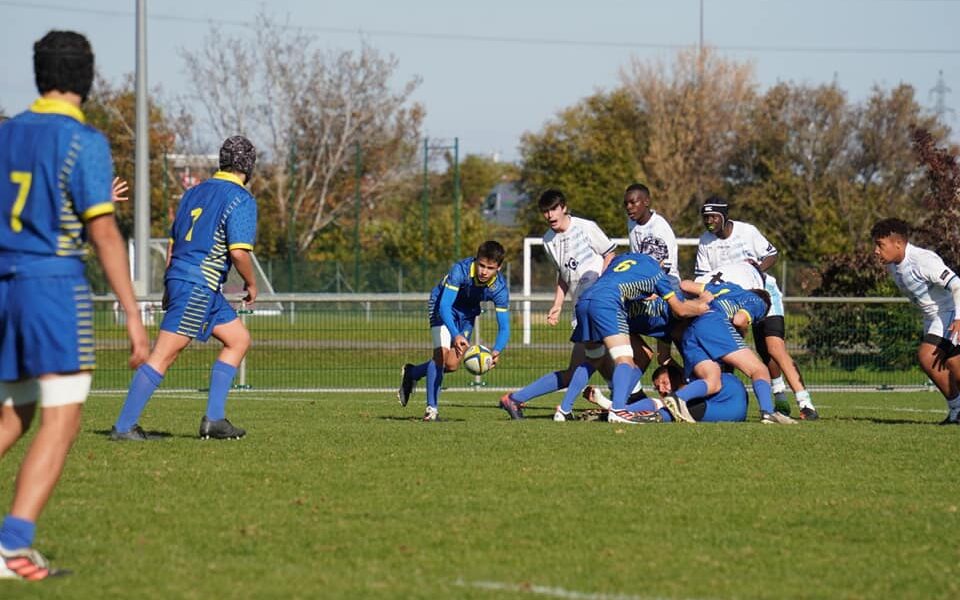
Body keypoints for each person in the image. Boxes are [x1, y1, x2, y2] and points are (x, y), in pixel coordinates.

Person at [0, 30, 150, 579]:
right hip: (51, 289)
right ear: (86, 77)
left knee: (13, 413)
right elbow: (104, 235)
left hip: (3, 286)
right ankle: (12, 549)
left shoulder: (6, 133)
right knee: (62, 418)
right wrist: (133, 315)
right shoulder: (81, 141)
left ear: (40, 74)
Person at [110, 135, 259, 441]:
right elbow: (239, 253)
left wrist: (169, 283)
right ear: (249, 166)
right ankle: (124, 426)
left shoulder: (193, 193)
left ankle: (214, 420)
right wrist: (251, 282)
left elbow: (174, 244)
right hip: (199, 284)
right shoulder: (241, 198)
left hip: (191, 281)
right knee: (164, 354)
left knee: (238, 339)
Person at [695, 196, 819, 420]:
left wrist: (756, 272)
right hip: (732, 300)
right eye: (706, 217)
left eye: (714, 216)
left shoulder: (747, 232)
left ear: (724, 216)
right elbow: (702, 277)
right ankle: (766, 398)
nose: (710, 221)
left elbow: (772, 253)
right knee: (731, 350)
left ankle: (805, 403)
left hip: (762, 293)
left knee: (774, 349)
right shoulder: (705, 241)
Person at [497, 190, 615, 421]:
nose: (549, 215)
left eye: (553, 209)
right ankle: (533, 403)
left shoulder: (586, 227)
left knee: (605, 361)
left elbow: (610, 254)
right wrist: (558, 304)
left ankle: (624, 402)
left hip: (600, 306)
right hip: (583, 311)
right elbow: (563, 274)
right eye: (545, 211)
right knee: (598, 362)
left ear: (564, 207)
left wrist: (601, 284)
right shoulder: (548, 240)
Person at [565, 252, 710, 419]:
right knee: (624, 360)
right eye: (661, 385)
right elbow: (681, 309)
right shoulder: (658, 277)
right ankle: (617, 409)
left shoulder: (625, 259)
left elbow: (663, 356)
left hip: (588, 301)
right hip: (610, 310)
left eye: (660, 386)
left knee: (594, 361)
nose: (662, 388)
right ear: (661, 261)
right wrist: (700, 305)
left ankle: (566, 410)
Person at [398, 241, 510, 421]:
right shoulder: (460, 270)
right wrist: (456, 334)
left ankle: (413, 373)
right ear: (476, 260)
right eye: (481, 265)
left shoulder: (500, 289)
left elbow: (504, 327)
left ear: (499, 267)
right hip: (442, 306)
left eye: (490, 268)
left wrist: (496, 350)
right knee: (441, 356)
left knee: (451, 365)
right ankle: (431, 411)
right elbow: (444, 306)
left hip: (467, 314)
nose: (484, 271)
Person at [872, 218, 960, 424]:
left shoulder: (922, 260)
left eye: (880, 245)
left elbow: (957, 285)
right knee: (952, 365)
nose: (876, 251)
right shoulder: (893, 265)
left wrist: (959, 318)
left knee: (927, 357)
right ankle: (957, 411)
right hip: (932, 318)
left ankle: (957, 410)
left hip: (948, 313)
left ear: (898, 244)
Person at [676, 280, 796, 424]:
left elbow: (685, 285)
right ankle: (768, 412)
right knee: (759, 369)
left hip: (691, 329)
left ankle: (678, 398)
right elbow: (739, 320)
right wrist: (743, 330)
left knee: (712, 380)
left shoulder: (729, 288)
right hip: (715, 323)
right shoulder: (759, 302)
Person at [585, 363, 749, 423]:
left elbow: (661, 402)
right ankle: (617, 412)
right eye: (658, 387)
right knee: (674, 404)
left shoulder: (693, 381)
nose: (662, 389)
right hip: (736, 412)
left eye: (664, 382)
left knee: (672, 406)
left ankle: (622, 412)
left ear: (677, 376)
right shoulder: (701, 376)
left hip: (726, 408)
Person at [624, 183, 680, 286]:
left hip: (666, 280)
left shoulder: (659, 228)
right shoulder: (631, 222)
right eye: (626, 204)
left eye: (633, 202)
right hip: (642, 278)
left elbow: (665, 267)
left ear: (646, 202)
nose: (629, 207)